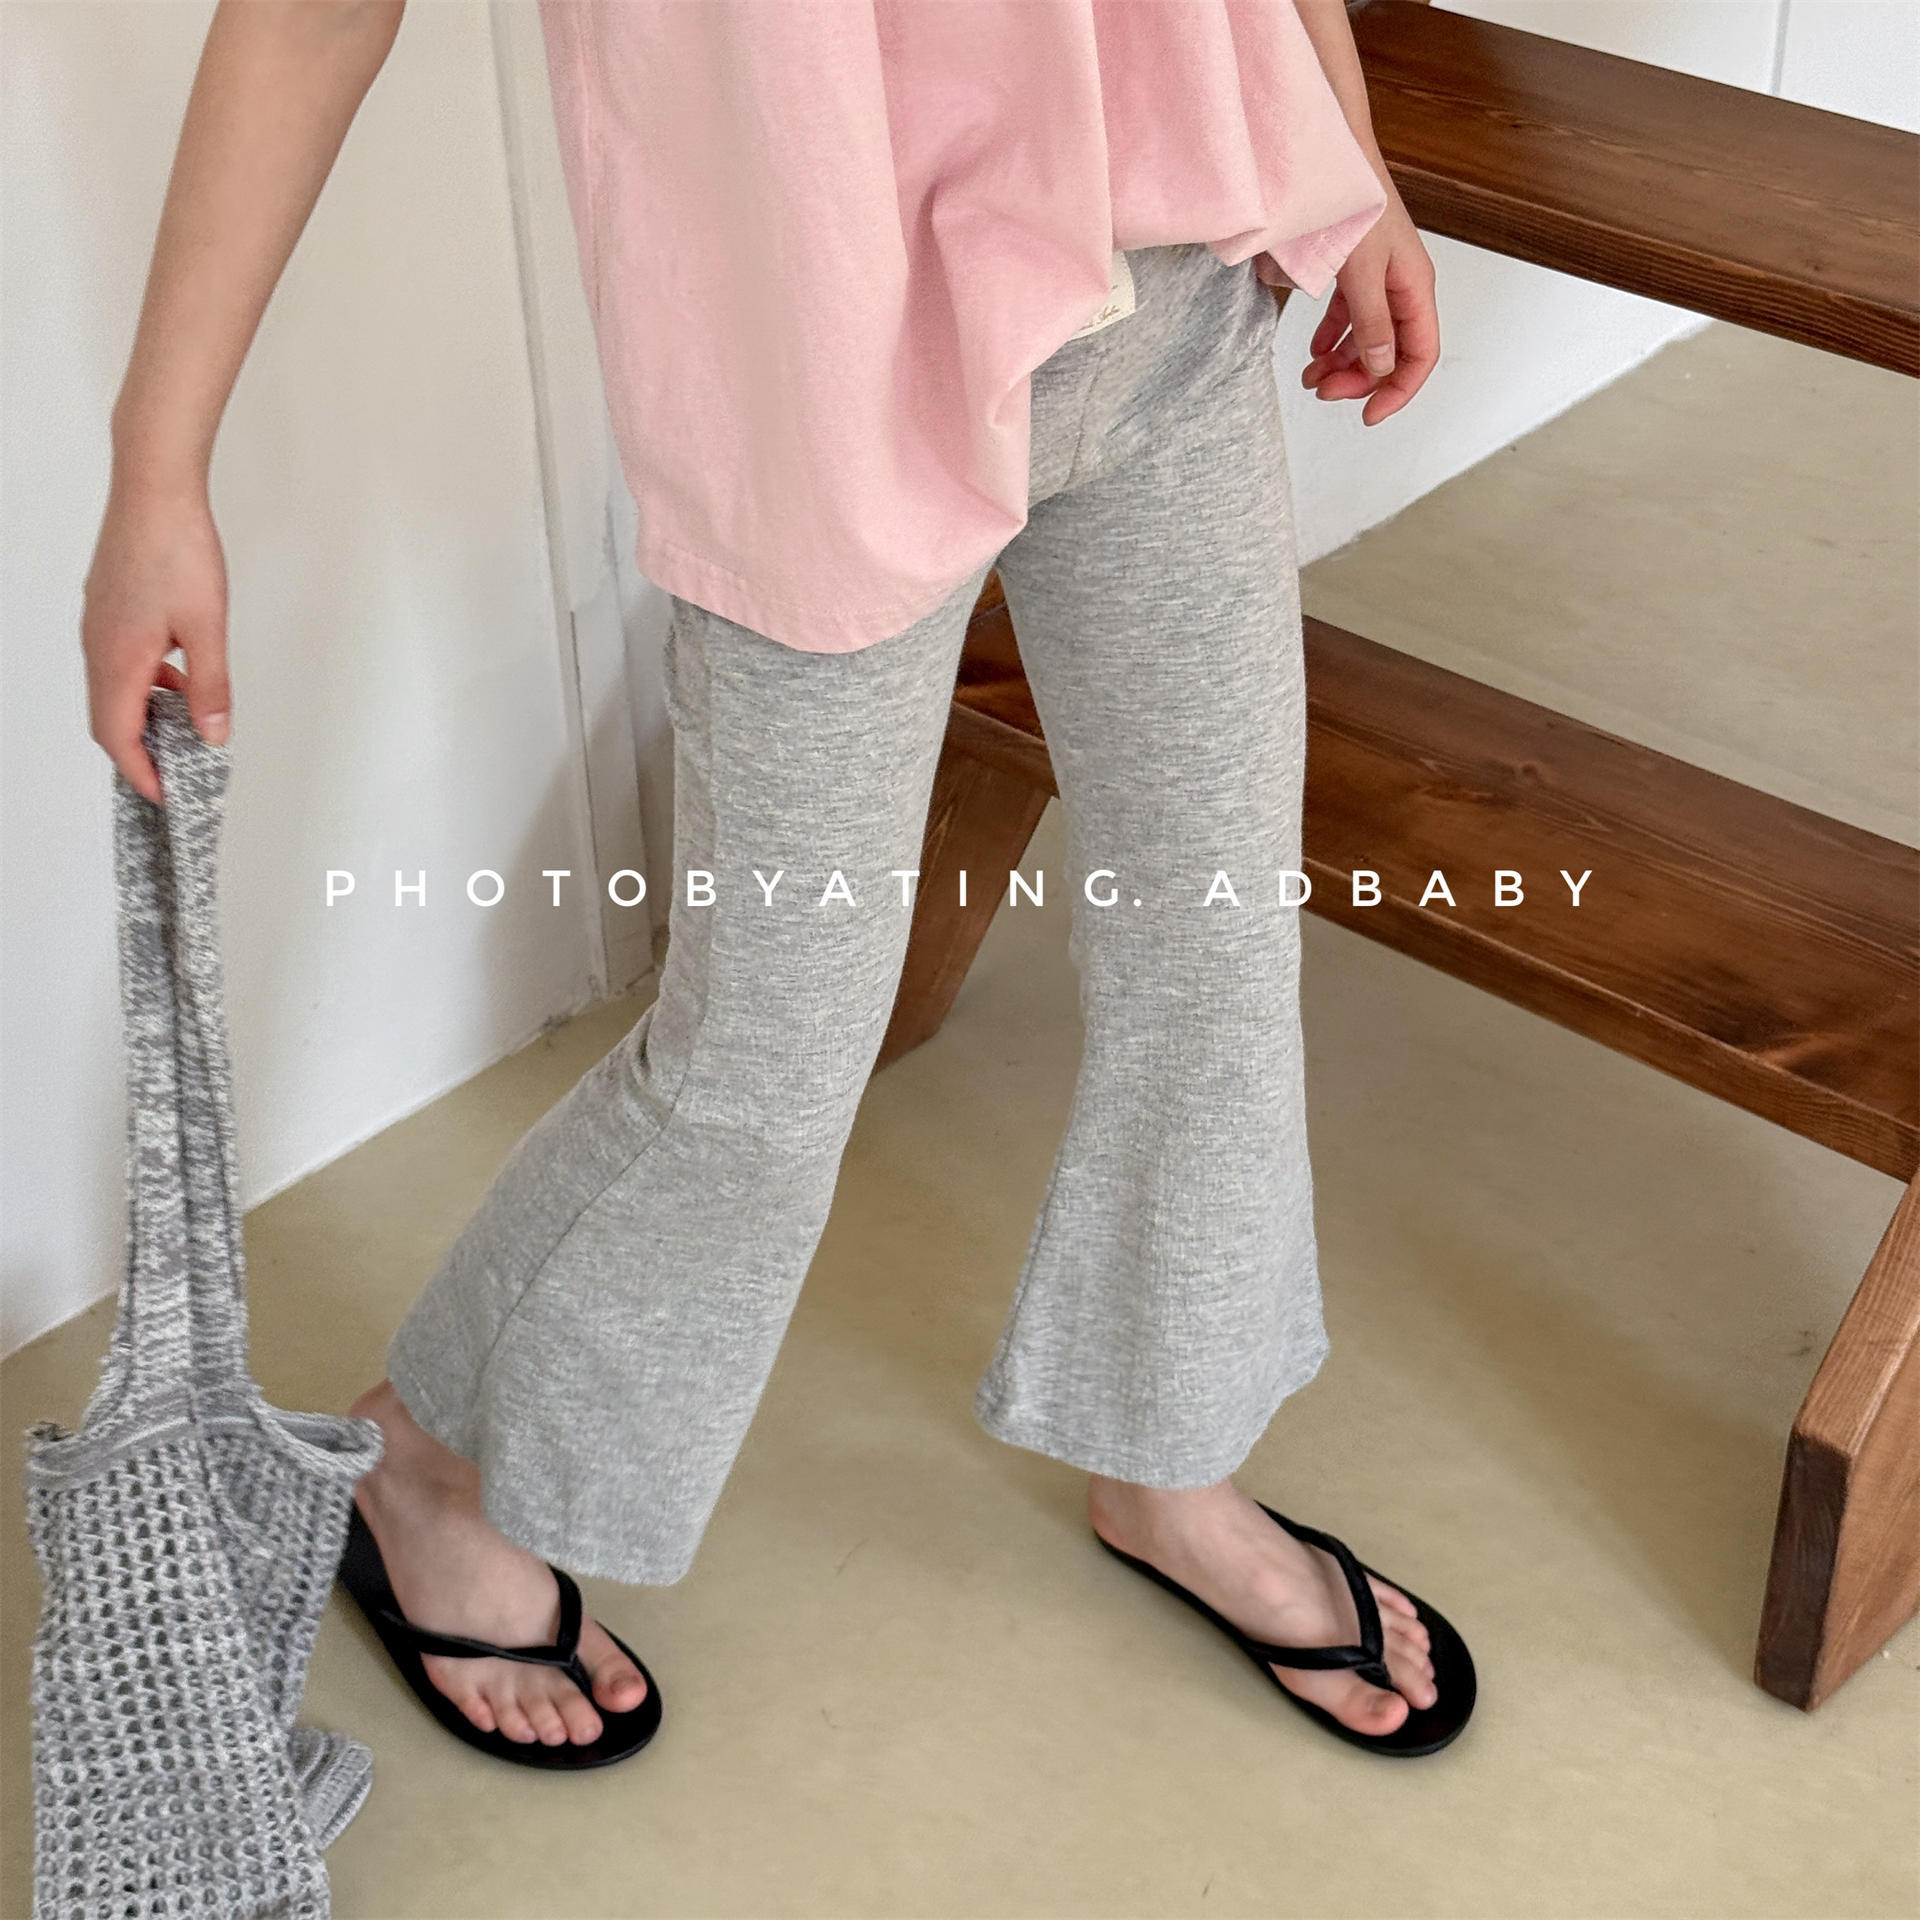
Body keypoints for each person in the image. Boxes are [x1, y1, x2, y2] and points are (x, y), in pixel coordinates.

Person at [84, 0, 1470, 1772]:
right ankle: (431, 1457)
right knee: (766, 1059)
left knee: (1214, 945)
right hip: (820, 376)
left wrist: (1352, 167)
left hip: (1185, 278)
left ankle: (1170, 1452)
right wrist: (157, 475)